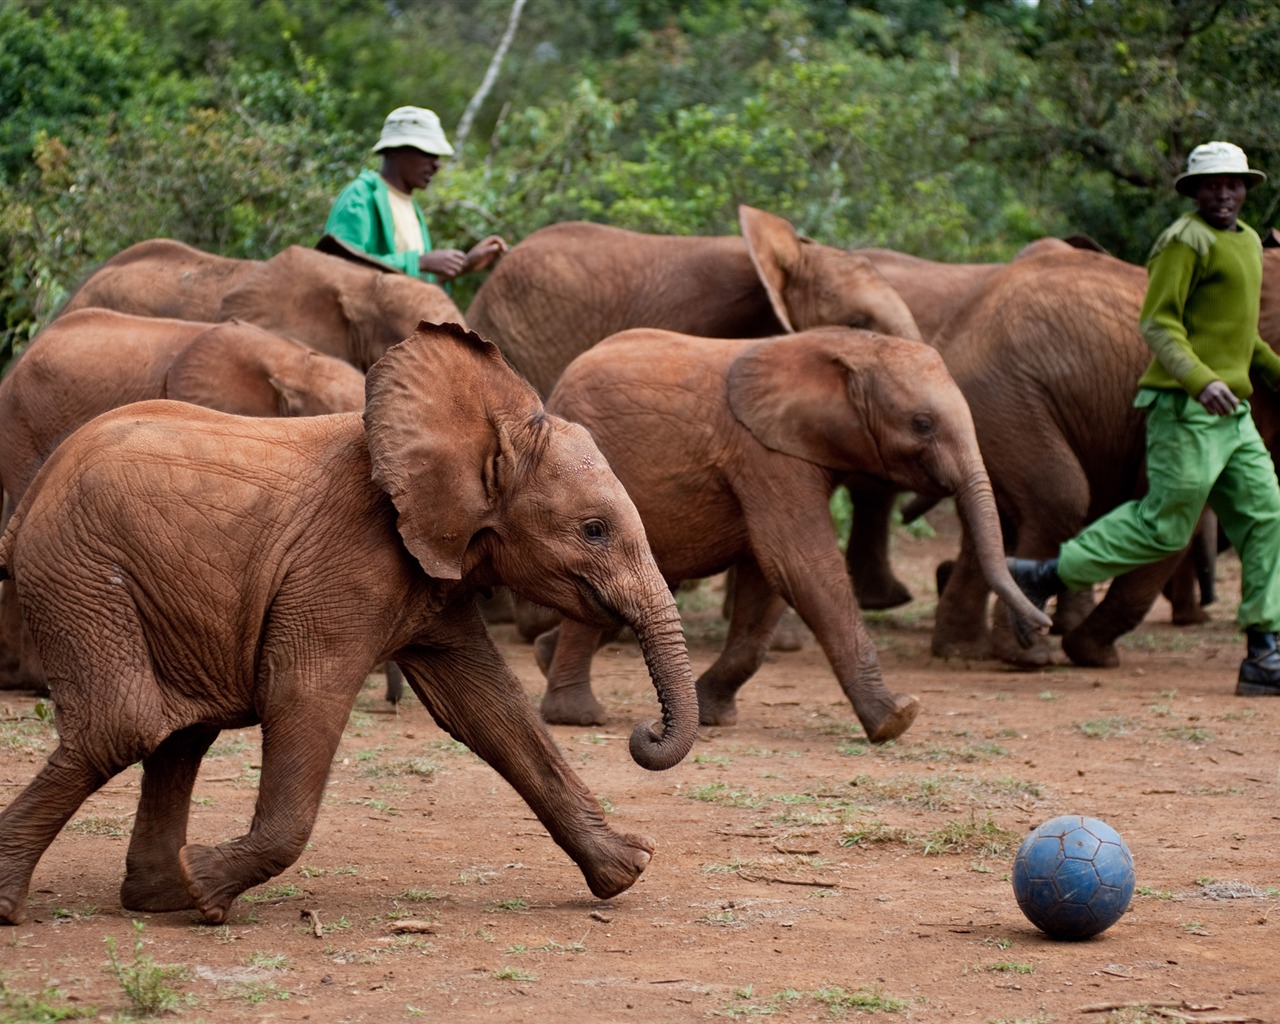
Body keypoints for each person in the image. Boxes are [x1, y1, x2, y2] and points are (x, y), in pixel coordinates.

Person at [1009, 140, 1280, 697]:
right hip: (1186, 410)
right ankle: (1042, 576)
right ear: (1194, 191)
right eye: (1211, 184)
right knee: (1164, 526)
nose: (1223, 193)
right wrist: (1198, 380)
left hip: (1236, 416)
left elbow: (1241, 333)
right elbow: (1158, 325)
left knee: (1265, 518)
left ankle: (1263, 652)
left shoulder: (1250, 242)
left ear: (1246, 190)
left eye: (1233, 184)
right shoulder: (1183, 242)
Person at [323, 105, 506, 282]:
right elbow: (338, 267)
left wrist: (465, 264)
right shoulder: (360, 197)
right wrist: (420, 261)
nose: (436, 165)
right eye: (427, 153)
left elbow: (412, 284)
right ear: (394, 151)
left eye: (437, 156)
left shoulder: (411, 207)